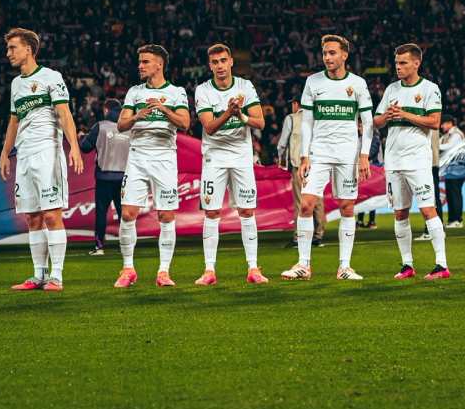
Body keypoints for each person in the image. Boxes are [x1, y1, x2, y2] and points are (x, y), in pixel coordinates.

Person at [282, 35, 374, 281]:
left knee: (347, 207)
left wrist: (364, 155)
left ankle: (345, 267)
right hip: (319, 154)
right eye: (324, 53)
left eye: (332, 53)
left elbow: (367, 123)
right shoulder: (313, 82)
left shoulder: (357, 84)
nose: (327, 57)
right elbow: (307, 122)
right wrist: (304, 157)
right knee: (305, 205)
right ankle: (303, 265)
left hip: (347, 155)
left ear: (345, 55)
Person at [0, 28, 83, 291]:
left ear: (28, 50)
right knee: (32, 217)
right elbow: (14, 121)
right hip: (24, 155)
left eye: (12, 47)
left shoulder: (51, 77)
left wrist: (74, 146)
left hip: (48, 151)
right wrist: (5, 153)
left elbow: (65, 114)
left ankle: (56, 276)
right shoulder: (16, 84)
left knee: (52, 215)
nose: (8, 53)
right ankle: (39, 275)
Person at [113, 44, 191, 288]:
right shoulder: (134, 92)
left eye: (145, 61)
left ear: (159, 64)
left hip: (165, 158)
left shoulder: (176, 92)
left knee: (166, 215)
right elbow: (121, 125)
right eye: (140, 62)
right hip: (137, 158)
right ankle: (128, 269)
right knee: (128, 214)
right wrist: (137, 116)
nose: (140, 66)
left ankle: (163, 271)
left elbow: (185, 123)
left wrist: (163, 108)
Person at [193, 43, 267, 284]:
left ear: (231, 61)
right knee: (212, 212)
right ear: (210, 65)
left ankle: (253, 269)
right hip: (214, 158)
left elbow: (260, 122)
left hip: (241, 157)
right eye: (215, 62)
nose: (220, 66)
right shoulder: (203, 90)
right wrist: (229, 113)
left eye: (223, 60)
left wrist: (241, 115)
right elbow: (209, 127)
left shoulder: (245, 86)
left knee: (247, 210)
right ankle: (209, 270)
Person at [374, 43, 448, 279]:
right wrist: (387, 115)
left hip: (418, 160)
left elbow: (434, 121)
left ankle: (442, 265)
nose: (398, 67)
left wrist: (405, 114)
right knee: (400, 213)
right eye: (396, 63)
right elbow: (376, 122)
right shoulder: (391, 89)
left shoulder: (429, 89)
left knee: (427, 210)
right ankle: (407, 265)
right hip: (394, 160)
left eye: (403, 63)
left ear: (416, 64)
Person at [79, 99, 130, 256]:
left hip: (104, 177)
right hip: (123, 177)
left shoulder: (100, 126)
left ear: (106, 110)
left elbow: (86, 147)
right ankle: (125, 246)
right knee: (123, 213)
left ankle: (99, 247)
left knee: (101, 212)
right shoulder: (130, 126)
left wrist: (81, 137)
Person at [276, 99, 324, 246]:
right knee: (318, 201)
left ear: (296, 104)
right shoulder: (318, 117)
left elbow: (283, 142)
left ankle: (299, 236)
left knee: (300, 202)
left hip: (299, 165)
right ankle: (318, 235)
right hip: (317, 164)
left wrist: (281, 158)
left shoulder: (291, 118)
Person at [440, 117, 465, 227]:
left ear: (449, 123)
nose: (441, 126)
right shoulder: (446, 136)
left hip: (458, 168)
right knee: (450, 194)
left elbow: (449, 146)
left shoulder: (457, 135)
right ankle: (452, 219)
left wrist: (434, 146)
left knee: (455, 193)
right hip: (450, 169)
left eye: (443, 124)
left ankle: (458, 220)